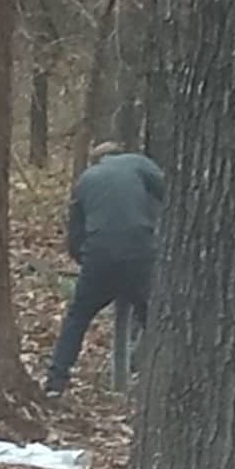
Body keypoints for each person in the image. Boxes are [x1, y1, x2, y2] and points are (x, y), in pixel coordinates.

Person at [42, 141, 166, 397]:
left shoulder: (86, 179)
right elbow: (170, 193)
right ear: (121, 153)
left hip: (99, 257)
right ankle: (164, 381)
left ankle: (56, 380)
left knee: (77, 316)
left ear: (95, 160)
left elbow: (74, 237)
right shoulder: (139, 163)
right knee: (155, 318)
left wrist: (86, 261)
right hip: (139, 252)